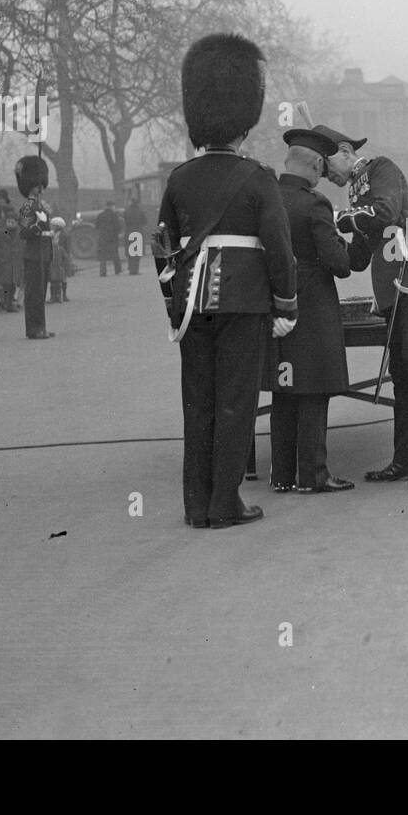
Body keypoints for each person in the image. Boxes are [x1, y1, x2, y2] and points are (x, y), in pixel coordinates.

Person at [154, 33, 298, 530]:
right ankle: (226, 503)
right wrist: (287, 303)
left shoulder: (179, 179)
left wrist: (175, 303)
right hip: (244, 302)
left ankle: (197, 505)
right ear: (243, 120)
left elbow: (163, 249)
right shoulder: (258, 178)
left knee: (198, 403)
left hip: (192, 305)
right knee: (236, 401)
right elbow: (279, 249)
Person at [325, 126, 408, 492]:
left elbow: (383, 213)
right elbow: (358, 258)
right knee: (403, 373)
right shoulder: (357, 190)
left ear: (344, 151)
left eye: (327, 166)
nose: (327, 176)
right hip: (394, 289)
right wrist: (326, 236)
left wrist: (339, 219)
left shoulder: (379, 168)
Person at [266, 129, 355, 494]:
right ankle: (314, 476)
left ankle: (282, 476)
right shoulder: (316, 204)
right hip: (313, 310)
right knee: (314, 392)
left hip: (276, 308)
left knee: (283, 392)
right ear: (316, 165)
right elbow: (339, 263)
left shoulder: (266, 199)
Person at [16, 155, 55, 339]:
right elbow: (23, 232)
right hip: (33, 254)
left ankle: (41, 326)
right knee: (34, 294)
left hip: (44, 252)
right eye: (39, 186)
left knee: (41, 293)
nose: (42, 189)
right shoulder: (26, 207)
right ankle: (33, 329)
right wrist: (38, 227)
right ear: (33, 187)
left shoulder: (41, 206)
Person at [95, 201, 122, 276]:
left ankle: (102, 272)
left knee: (103, 255)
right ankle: (117, 270)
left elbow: (96, 226)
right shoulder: (114, 215)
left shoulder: (100, 215)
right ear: (112, 206)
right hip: (113, 237)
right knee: (115, 253)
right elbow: (118, 227)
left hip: (103, 237)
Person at [123, 195, 146, 276]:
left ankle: (131, 269)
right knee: (137, 252)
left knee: (130, 252)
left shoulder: (126, 211)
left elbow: (125, 221)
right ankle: (136, 270)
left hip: (129, 232)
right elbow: (144, 221)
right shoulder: (140, 211)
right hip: (138, 232)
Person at [49, 217, 70, 303]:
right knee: (53, 278)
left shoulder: (64, 235)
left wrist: (67, 257)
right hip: (53, 257)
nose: (52, 227)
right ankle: (53, 296)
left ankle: (63, 295)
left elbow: (67, 247)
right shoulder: (52, 233)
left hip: (61, 257)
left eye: (53, 225)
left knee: (62, 277)